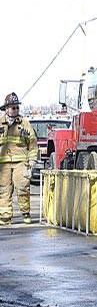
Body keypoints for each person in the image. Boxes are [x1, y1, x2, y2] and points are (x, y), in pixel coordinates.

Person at [0, 92, 37, 225]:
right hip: (3, 164)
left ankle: (26, 212)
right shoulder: (0, 123)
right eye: (13, 108)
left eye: (17, 108)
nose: (15, 110)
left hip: (21, 162)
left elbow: (32, 144)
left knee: (22, 187)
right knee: (4, 189)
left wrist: (32, 161)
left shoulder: (25, 124)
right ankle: (5, 216)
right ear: (6, 108)